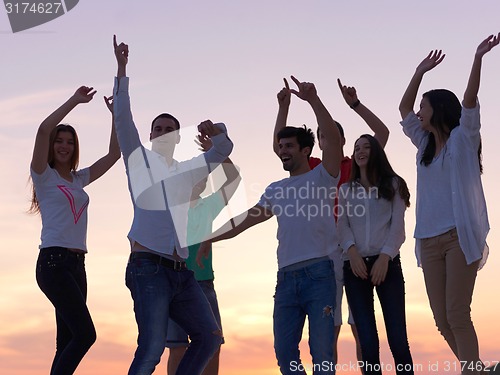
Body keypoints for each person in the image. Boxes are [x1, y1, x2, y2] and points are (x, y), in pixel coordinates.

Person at [201, 76, 342, 375]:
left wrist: (314, 100)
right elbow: (245, 219)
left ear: (306, 150)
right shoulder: (276, 189)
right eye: (280, 147)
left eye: (290, 145)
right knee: (284, 354)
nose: (283, 150)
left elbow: (335, 140)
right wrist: (208, 237)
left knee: (322, 355)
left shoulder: (323, 176)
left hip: (320, 274)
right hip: (286, 278)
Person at [112, 35, 232, 375]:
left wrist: (218, 130)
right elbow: (122, 118)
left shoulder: (186, 171)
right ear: (151, 136)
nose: (163, 132)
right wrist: (122, 69)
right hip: (147, 266)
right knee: (151, 348)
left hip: (182, 272)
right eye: (158, 128)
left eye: (170, 129)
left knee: (208, 338)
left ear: (178, 137)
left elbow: (223, 151)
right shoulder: (139, 161)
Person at [398, 34, 499, 375]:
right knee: (442, 320)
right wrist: (418, 72)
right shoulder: (423, 143)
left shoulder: (463, 138)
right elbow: (403, 110)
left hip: (458, 236)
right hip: (427, 239)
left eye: (425, 106)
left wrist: (478, 58)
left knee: (457, 312)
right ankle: (478, 370)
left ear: (438, 109)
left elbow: (470, 101)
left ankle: (472, 372)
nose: (418, 112)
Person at [273, 77, 390, 367]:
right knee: (329, 327)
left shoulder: (354, 166)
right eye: (322, 139)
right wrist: (284, 108)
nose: (325, 142)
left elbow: (382, 133)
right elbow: (281, 147)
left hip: (358, 250)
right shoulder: (312, 168)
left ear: (340, 142)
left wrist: (355, 105)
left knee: (360, 325)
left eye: (331, 138)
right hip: (326, 254)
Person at [30, 87, 120, 374]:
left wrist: (116, 115)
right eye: (59, 141)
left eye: (69, 141)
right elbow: (44, 129)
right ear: (52, 145)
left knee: (67, 340)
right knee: (86, 335)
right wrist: (75, 101)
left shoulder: (79, 179)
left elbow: (114, 154)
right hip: (53, 263)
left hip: (77, 265)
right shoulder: (43, 174)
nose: (64, 146)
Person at [337, 134, 413, 375]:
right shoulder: (346, 189)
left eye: (366, 147)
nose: (360, 151)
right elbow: (342, 225)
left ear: (376, 152)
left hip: (387, 265)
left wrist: (385, 257)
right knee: (368, 344)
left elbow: (397, 227)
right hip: (354, 267)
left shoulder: (393, 185)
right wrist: (352, 252)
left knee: (398, 341)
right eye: (356, 148)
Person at [166, 135, 241, 375]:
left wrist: (217, 149)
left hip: (203, 283)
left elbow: (234, 178)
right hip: (173, 283)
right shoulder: (168, 208)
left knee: (213, 343)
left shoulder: (209, 205)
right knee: (177, 347)